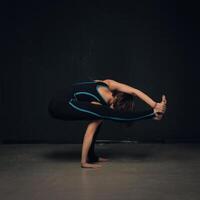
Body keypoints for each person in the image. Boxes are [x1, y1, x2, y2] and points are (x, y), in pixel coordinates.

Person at [48, 79, 167, 168]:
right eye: (115, 109)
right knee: (103, 115)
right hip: (59, 106)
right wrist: (83, 162)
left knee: (99, 118)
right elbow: (91, 131)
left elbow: (134, 91)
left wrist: (155, 104)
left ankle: (92, 156)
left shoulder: (108, 84)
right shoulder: (99, 104)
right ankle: (85, 161)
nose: (112, 110)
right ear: (115, 103)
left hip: (59, 98)